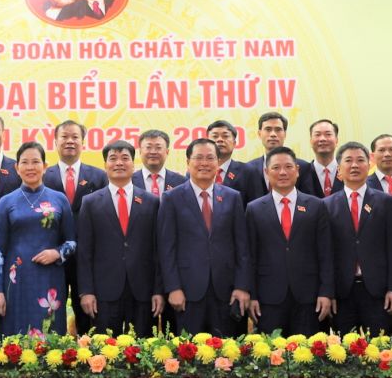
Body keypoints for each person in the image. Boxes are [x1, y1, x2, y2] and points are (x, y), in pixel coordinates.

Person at [157, 138, 251, 336]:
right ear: (187, 162)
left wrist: (242, 286)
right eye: (198, 158)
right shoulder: (171, 198)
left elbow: (242, 247)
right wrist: (173, 288)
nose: (204, 163)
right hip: (187, 292)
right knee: (188, 349)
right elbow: (166, 248)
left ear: (218, 162)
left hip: (226, 291)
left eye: (210, 158)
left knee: (226, 349)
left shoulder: (233, 197)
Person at [246, 146, 334, 335]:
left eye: (288, 167)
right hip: (268, 297)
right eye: (276, 168)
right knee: (270, 351)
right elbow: (250, 256)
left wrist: (326, 292)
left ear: (297, 170)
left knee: (308, 350)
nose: (283, 172)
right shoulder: (254, 209)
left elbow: (326, 253)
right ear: (266, 172)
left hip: (309, 297)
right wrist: (252, 295)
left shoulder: (316, 206)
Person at [0, 142, 78, 336]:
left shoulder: (59, 199)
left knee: (50, 337)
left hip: (50, 279)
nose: (30, 167)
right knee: (15, 337)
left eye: (36, 162)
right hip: (16, 280)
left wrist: (57, 253)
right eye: (25, 162)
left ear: (45, 166)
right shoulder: (6, 202)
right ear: (17, 168)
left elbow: (72, 241)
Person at [78, 140, 162, 336]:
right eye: (113, 159)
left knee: (144, 347)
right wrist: (86, 291)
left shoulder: (151, 202)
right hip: (104, 290)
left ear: (133, 164)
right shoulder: (90, 202)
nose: (119, 163)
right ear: (105, 165)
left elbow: (158, 250)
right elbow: (84, 252)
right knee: (105, 348)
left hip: (143, 290)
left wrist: (158, 290)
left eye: (125, 158)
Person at [325, 141, 392, 336]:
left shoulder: (386, 202)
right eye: (348, 161)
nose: (354, 165)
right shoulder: (326, 205)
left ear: (369, 166)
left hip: (378, 292)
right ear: (339, 170)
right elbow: (324, 254)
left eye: (360, 160)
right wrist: (327, 292)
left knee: (381, 348)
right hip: (342, 293)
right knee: (344, 349)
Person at [43, 120, 106, 332]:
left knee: (88, 315)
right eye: (64, 137)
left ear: (83, 142)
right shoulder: (43, 176)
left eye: (75, 137)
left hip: (87, 258)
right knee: (51, 314)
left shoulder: (98, 176)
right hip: (52, 257)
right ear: (55, 141)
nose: (70, 141)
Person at [238, 111, 290, 200]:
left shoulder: (302, 167)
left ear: (285, 134)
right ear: (259, 134)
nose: (273, 134)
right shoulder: (248, 169)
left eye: (278, 129)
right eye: (268, 129)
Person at [297, 118, 344, 198]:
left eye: (328, 134)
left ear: (336, 140)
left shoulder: (347, 172)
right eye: (317, 135)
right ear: (310, 141)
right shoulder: (301, 174)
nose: (322, 139)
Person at [133, 129, 186, 195]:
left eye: (158, 147)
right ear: (140, 151)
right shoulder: (128, 181)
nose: (153, 152)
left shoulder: (181, 182)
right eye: (148, 147)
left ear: (167, 152)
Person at [206, 119, 247, 192]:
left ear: (234, 143)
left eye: (225, 136)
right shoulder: (196, 171)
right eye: (215, 136)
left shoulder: (247, 171)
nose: (220, 140)